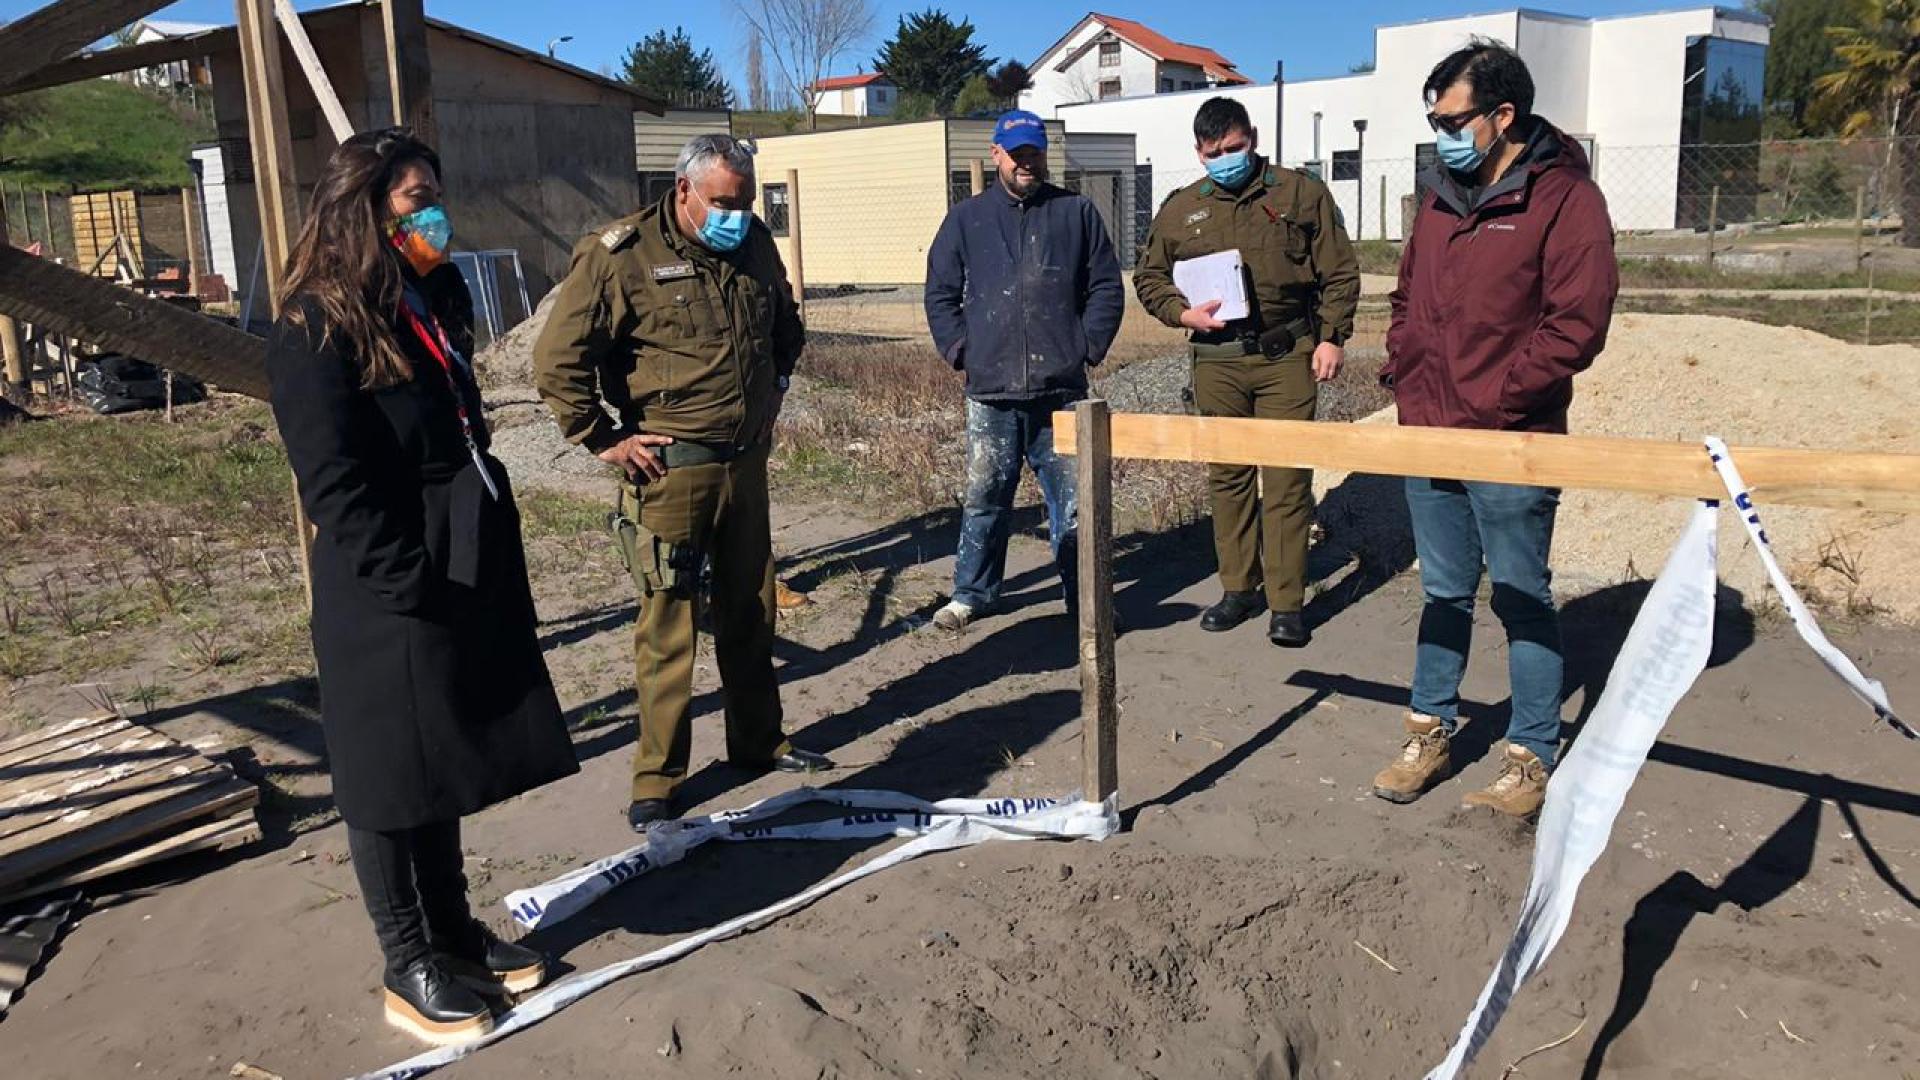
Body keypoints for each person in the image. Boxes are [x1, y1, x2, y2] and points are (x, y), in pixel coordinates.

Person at [265, 128, 577, 1046]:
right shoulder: (313, 325)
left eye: (434, 191)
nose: (434, 209)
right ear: (363, 208)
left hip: (454, 561)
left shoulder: (431, 294)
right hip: (383, 583)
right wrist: (405, 576)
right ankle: (407, 964)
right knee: (388, 780)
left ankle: (450, 931)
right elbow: (333, 482)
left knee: (440, 759)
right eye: (414, 197)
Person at [533, 133, 832, 831]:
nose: (736, 213)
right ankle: (658, 778)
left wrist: (777, 385)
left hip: (745, 465)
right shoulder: (621, 254)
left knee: (751, 609)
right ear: (684, 192)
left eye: (746, 200)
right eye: (723, 202)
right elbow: (557, 361)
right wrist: (603, 439)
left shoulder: (754, 242)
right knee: (669, 625)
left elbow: (785, 325)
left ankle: (757, 741)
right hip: (670, 471)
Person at [1372, 40, 1619, 817]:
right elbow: (1407, 299)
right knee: (1443, 591)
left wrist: (1505, 401)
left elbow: (1577, 322)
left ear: (1503, 115)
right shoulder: (1439, 199)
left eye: (1453, 118)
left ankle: (1530, 753)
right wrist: (1407, 374)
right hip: (1431, 430)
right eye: (1434, 119)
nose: (1441, 133)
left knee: (1520, 595)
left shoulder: (1565, 200)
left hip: (1512, 436)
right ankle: (1429, 733)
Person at [1135, 97, 1359, 648]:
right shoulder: (1182, 208)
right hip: (1218, 359)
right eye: (1214, 153)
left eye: (1234, 148)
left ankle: (1287, 602)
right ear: (1199, 152)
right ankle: (1238, 588)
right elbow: (1150, 277)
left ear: (1253, 138)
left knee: (1285, 481)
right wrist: (1179, 312)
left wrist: (1332, 337)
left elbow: (1339, 270)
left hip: (1286, 356)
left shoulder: (1299, 193)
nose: (1226, 159)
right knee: (1229, 478)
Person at [924, 109, 1125, 631]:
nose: (1026, 163)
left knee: (1075, 503)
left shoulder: (1075, 213)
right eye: (1017, 155)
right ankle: (973, 593)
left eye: (1034, 153)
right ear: (996, 156)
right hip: (991, 393)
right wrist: (962, 351)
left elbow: (1105, 286)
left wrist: (1087, 345)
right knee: (986, 496)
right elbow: (940, 293)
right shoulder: (966, 220)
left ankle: (1086, 600)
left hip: (1061, 390)